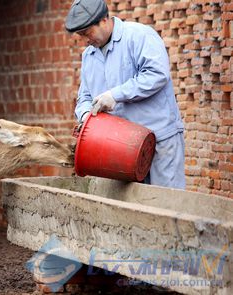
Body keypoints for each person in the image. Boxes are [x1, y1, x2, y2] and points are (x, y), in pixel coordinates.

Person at [65, 0, 185, 189]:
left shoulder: (139, 36)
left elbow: (157, 73)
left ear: (104, 20)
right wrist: (86, 116)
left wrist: (116, 94)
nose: (85, 40)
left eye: (87, 33)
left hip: (159, 140)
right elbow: (84, 98)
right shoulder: (89, 56)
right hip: (121, 148)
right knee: (132, 210)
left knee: (166, 206)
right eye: (81, 35)